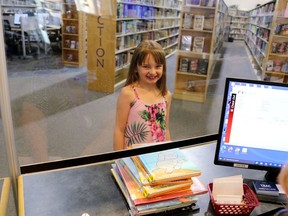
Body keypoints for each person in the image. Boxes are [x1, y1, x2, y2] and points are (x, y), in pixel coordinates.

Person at [114, 40, 171, 150]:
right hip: (133, 158)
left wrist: (168, 151)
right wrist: (119, 159)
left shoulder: (166, 95)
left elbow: (166, 128)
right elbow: (119, 130)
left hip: (157, 156)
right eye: (146, 66)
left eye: (158, 66)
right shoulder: (128, 93)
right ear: (136, 67)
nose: (153, 72)